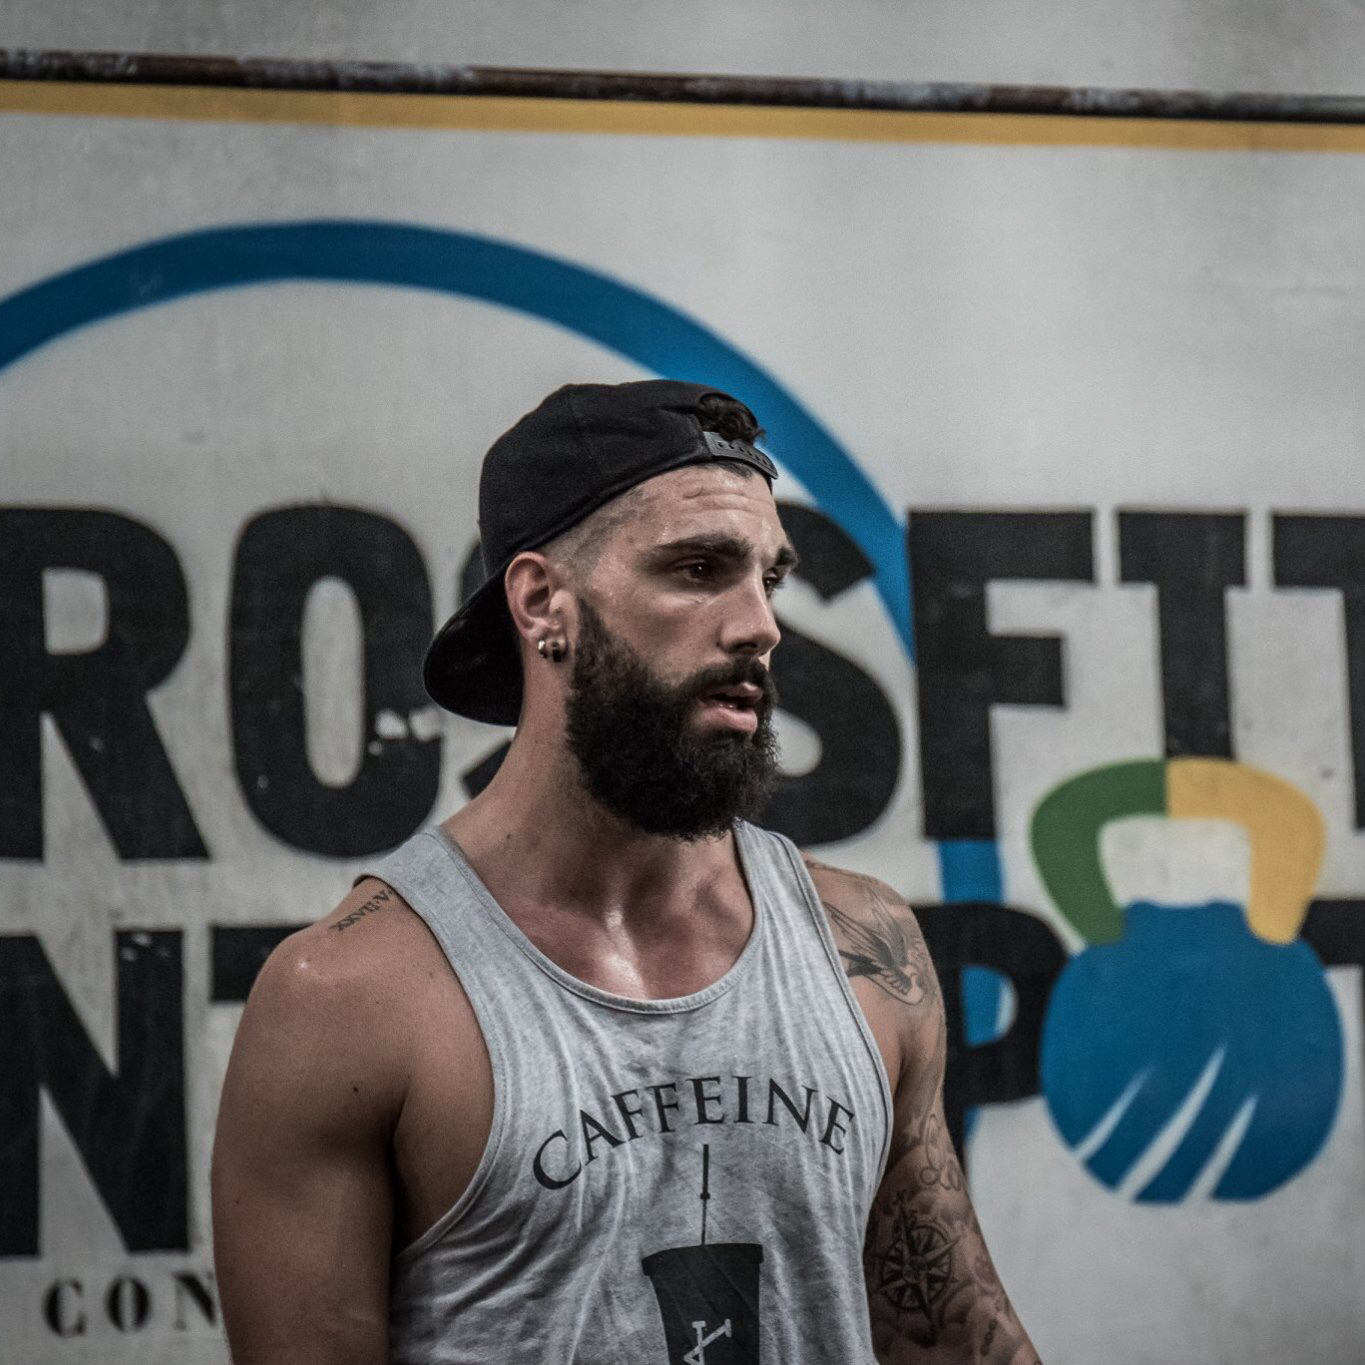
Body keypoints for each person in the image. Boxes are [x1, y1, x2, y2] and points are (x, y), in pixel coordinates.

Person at [212, 379, 1041, 1364]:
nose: (760, 625)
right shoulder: (348, 997)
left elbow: (950, 1339)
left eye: (768, 579)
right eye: (698, 569)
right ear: (541, 601)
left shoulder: (867, 949)